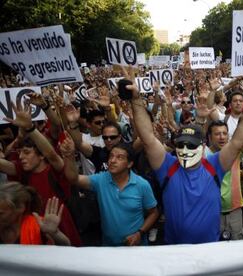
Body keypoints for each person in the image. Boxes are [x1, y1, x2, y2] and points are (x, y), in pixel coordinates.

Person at [127, 66, 243, 244]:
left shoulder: (214, 166)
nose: (185, 149)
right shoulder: (167, 167)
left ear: (202, 146)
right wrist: (135, 99)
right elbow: (147, 138)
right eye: (181, 144)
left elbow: (238, 140)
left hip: (210, 253)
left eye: (191, 145)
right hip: (175, 252)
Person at [0, 100, 81, 246]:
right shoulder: (22, 172)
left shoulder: (55, 172)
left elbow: (52, 155)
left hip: (60, 228)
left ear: (41, 155)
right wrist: (19, 138)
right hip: (32, 234)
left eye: (26, 152)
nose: (20, 157)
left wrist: (30, 128)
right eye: (19, 153)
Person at [63, 138, 159, 246]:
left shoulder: (142, 185)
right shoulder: (100, 180)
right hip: (109, 247)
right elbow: (73, 179)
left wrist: (139, 233)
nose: (112, 160)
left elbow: (153, 213)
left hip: (136, 247)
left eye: (119, 157)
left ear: (129, 164)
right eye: (111, 156)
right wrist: (69, 156)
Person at [0, 181, 70, 245]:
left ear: (20, 208)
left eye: (1, 213)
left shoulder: (39, 225)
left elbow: (66, 246)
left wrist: (54, 233)